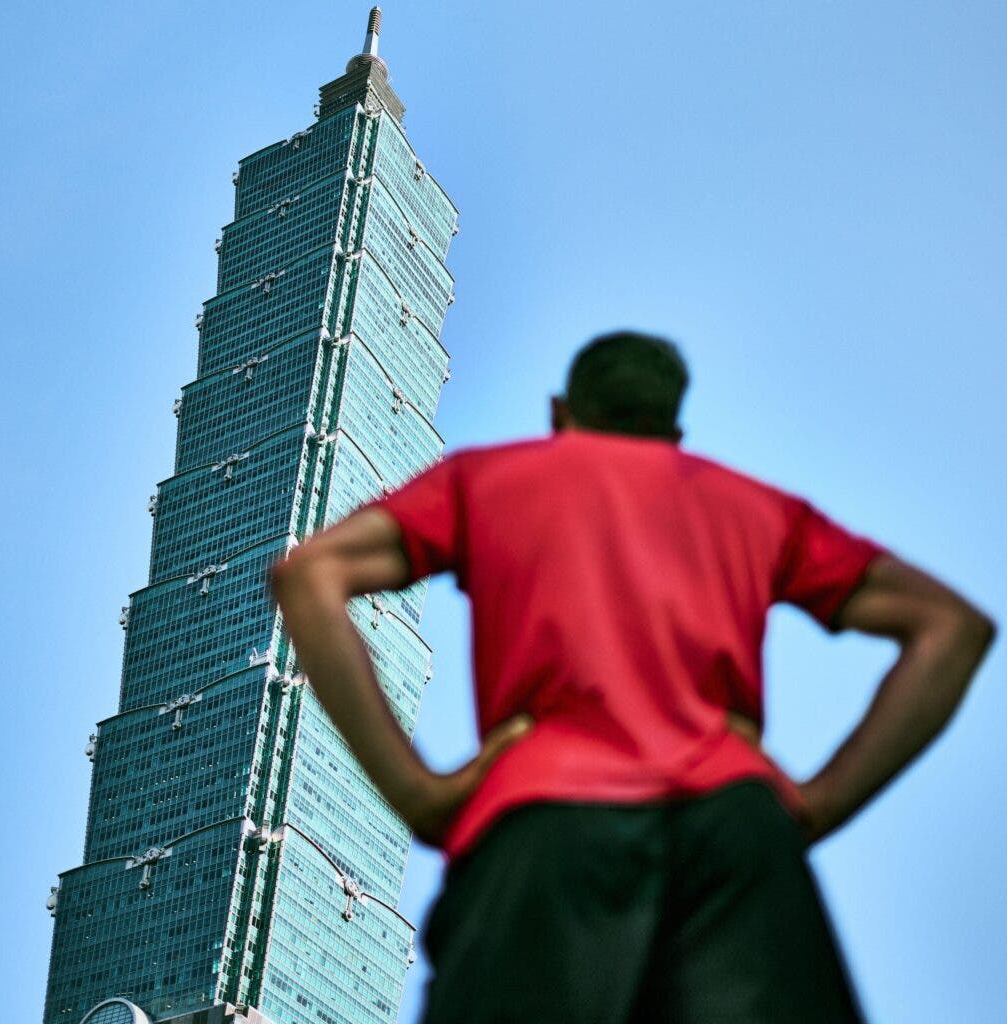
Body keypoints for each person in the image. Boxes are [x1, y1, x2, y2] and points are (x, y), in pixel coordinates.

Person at [271, 331, 994, 1023]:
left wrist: (420, 795)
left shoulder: (487, 479)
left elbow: (312, 573)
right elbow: (952, 627)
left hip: (548, 826)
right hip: (737, 836)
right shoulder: (757, 506)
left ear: (561, 414)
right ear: (673, 432)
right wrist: (816, 805)